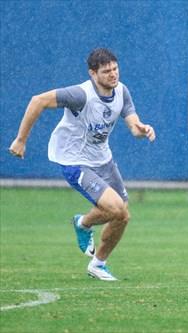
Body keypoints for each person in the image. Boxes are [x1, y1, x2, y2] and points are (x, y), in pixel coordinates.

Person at [8, 48, 156, 281]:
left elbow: (132, 123)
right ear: (92, 74)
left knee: (123, 215)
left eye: (115, 69)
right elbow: (38, 100)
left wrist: (141, 128)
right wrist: (21, 140)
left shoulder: (122, 91)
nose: (113, 75)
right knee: (116, 207)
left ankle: (98, 264)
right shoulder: (80, 95)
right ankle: (83, 223)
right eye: (106, 71)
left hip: (102, 159)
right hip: (74, 160)